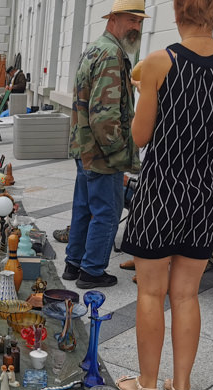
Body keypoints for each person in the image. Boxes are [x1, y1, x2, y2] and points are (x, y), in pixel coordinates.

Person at [116, 0, 213, 390]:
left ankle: (148, 385)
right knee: (187, 295)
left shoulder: (159, 62)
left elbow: (139, 137)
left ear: (178, 12)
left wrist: (144, 92)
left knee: (151, 292)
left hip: (160, 191)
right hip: (207, 192)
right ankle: (183, 389)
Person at [62, 0, 145, 290]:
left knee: (84, 207)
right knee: (107, 212)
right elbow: (105, 114)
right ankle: (92, 271)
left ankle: (74, 264)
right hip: (102, 151)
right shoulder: (112, 54)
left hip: (84, 145)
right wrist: (118, 152)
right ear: (113, 19)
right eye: (131, 20)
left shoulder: (97, 47)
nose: (136, 27)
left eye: (139, 22)